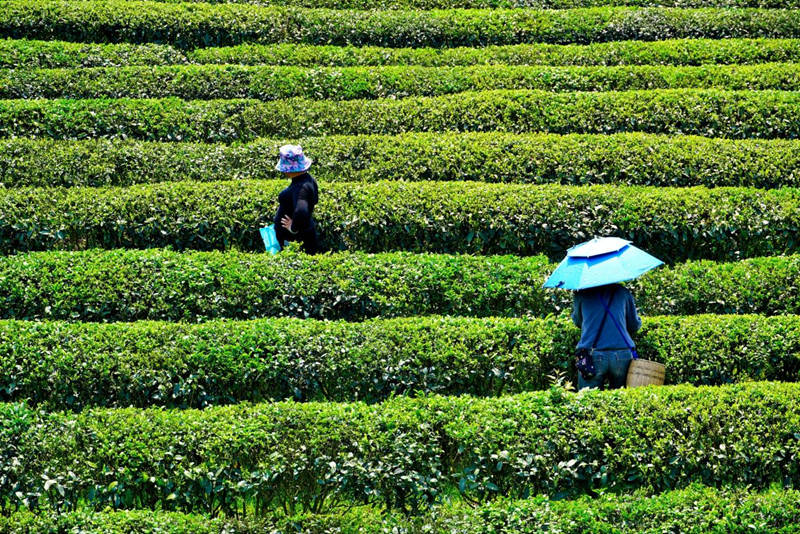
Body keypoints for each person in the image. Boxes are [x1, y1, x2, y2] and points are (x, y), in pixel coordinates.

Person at [572, 283, 642, 390]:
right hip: (622, 353)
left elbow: (578, 322)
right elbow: (634, 325)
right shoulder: (623, 292)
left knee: (588, 400)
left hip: (591, 354)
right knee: (622, 399)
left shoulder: (581, 293)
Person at [273, 144, 320, 254]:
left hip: (296, 239)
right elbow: (314, 200)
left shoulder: (301, 187)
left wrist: (293, 228)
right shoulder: (308, 179)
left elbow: (301, 211)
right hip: (303, 234)